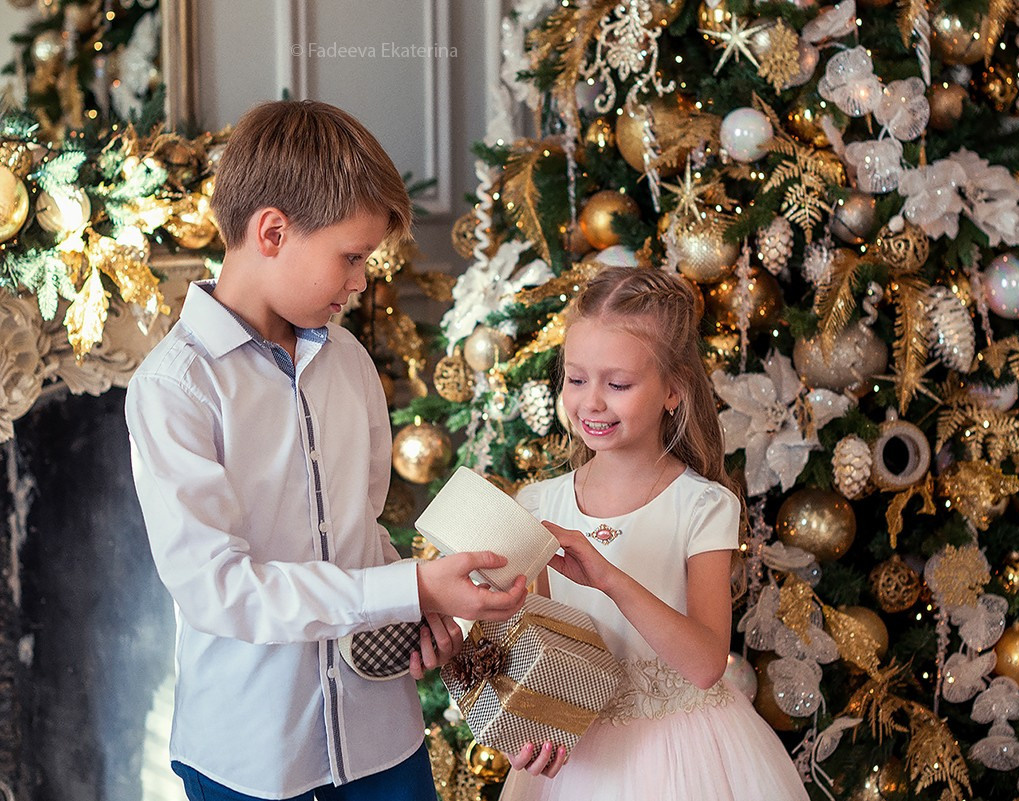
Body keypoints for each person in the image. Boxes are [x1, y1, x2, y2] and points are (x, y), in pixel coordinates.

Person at [126, 100, 527, 801]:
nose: (362, 280)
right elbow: (222, 591)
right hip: (250, 759)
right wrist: (410, 587)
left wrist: (417, 607)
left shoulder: (349, 361)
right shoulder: (174, 388)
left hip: (383, 741)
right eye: (351, 256)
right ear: (272, 232)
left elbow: (358, 529)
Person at [499, 268, 809, 800]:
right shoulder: (537, 505)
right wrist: (522, 730)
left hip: (685, 758)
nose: (591, 402)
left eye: (618, 384)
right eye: (576, 379)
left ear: (672, 391)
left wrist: (608, 578)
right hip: (577, 766)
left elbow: (706, 664)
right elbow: (537, 654)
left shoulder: (702, 506)